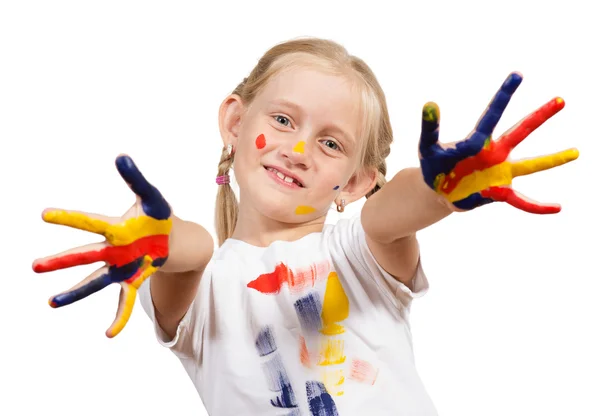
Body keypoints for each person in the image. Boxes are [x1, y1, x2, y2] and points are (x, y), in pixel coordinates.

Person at [32, 37, 579, 415]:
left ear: (358, 181)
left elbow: (393, 214)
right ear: (235, 123)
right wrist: (160, 238)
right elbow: (192, 250)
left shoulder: (356, 252)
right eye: (284, 120)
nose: (297, 150)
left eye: (331, 142)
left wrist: (442, 191)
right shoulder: (203, 291)